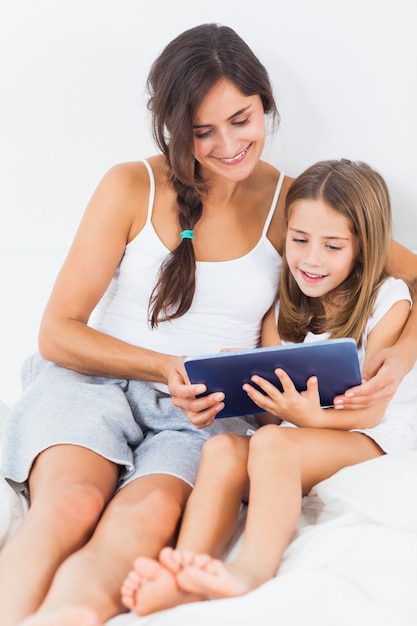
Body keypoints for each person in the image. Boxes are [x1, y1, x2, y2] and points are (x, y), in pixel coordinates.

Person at [0, 22, 416, 626]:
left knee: (141, 520)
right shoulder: (129, 186)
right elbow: (57, 331)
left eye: (242, 120)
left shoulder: (296, 207)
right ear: (174, 128)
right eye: (203, 131)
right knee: (72, 501)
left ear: (266, 106)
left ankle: (69, 615)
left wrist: (402, 358)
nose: (227, 145)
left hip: (200, 414)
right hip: (90, 385)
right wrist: (165, 368)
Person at [120, 159, 417, 615]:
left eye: (333, 246)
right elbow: (270, 418)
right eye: (299, 241)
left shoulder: (387, 300)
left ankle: (250, 570)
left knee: (275, 445)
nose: (311, 259)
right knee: (222, 450)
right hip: (301, 435)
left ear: (364, 247)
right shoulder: (281, 308)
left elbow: (373, 410)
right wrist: (237, 382)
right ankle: (186, 569)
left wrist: (309, 418)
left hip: (371, 436)